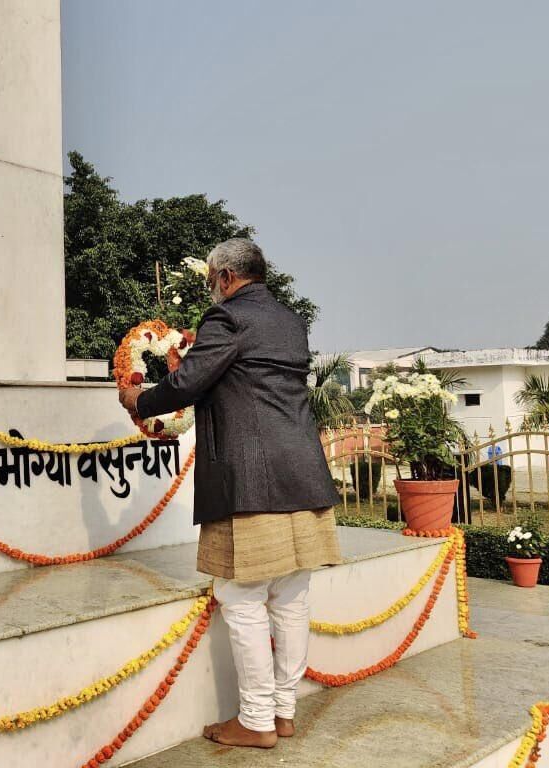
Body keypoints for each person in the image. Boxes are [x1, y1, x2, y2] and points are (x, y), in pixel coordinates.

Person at [119, 238, 341, 749]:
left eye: (210, 283)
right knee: (291, 597)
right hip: (303, 471)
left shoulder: (228, 319)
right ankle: (283, 712)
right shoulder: (289, 319)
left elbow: (189, 383)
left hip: (251, 478)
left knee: (240, 597)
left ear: (223, 278)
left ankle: (257, 721)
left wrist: (140, 398)